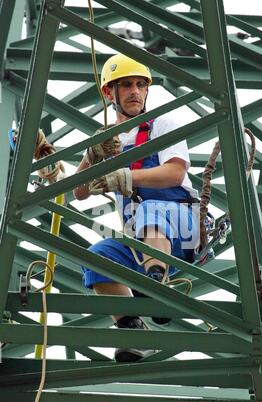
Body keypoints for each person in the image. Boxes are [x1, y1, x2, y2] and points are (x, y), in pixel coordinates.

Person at [74, 54, 200, 362]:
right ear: (109, 93)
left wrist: (127, 176)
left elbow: (175, 173)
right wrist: (91, 156)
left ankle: (156, 286)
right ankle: (133, 329)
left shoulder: (162, 124)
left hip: (180, 226)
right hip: (140, 241)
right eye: (127, 85)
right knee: (98, 257)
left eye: (141, 85)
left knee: (151, 210)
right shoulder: (110, 139)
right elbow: (79, 193)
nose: (135, 92)